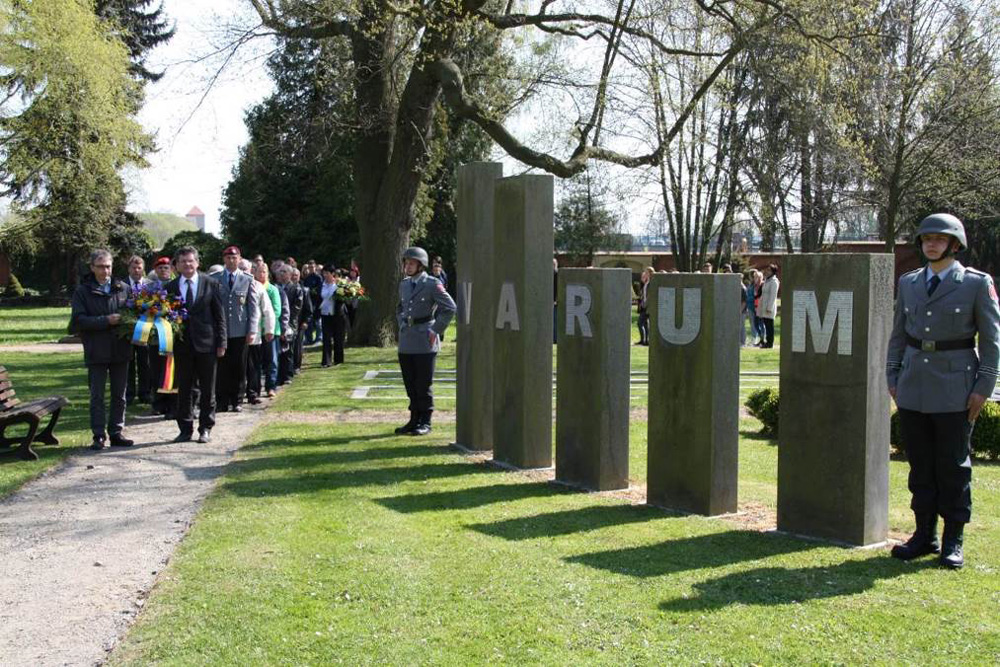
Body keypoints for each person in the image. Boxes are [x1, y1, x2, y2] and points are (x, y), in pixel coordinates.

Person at [886, 213, 1000, 570]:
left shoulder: (976, 284)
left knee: (952, 466)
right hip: (914, 386)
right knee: (919, 466)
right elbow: (899, 334)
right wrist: (893, 375)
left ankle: (953, 540)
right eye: (926, 239)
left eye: (939, 239)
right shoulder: (909, 283)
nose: (931, 244)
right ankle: (924, 535)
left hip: (956, 387)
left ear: (954, 244)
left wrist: (984, 387)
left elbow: (992, 341)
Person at [70, 249, 135, 450]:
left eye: (108, 266)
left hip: (120, 349)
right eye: (100, 266)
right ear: (92, 267)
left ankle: (116, 432)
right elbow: (78, 321)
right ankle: (98, 435)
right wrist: (105, 320)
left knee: (120, 394)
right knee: (97, 395)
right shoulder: (83, 291)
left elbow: (135, 315)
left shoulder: (123, 288)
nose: (105, 271)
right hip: (96, 350)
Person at [166, 246, 226, 443]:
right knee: (184, 389)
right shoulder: (170, 288)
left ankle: (205, 428)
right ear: (177, 265)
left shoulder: (211, 283)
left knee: (208, 388)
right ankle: (185, 429)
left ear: (198, 263)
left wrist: (222, 342)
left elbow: (220, 316)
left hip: (207, 344)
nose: (187, 264)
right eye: (183, 261)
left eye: (191, 261)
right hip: (182, 345)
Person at [394, 247, 456, 436]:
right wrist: (402, 324)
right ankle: (413, 419)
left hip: (424, 340)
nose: (408, 266)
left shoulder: (432, 283)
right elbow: (399, 307)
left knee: (423, 383)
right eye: (406, 262)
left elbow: (450, 307)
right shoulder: (404, 284)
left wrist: (435, 329)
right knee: (410, 383)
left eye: (412, 263)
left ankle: (425, 421)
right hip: (407, 340)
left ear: (421, 265)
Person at [210, 246, 258, 413]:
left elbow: (252, 307)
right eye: (228, 257)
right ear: (224, 259)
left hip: (240, 330)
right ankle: (222, 400)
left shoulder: (247, 279)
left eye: (234, 257)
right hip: (221, 331)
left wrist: (252, 330)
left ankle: (237, 399)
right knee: (222, 367)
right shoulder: (215, 278)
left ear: (239, 259)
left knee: (239, 367)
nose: (231, 260)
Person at [241, 258, 274, 405]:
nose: (242, 271)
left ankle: (253, 393)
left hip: (254, 335)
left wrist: (269, 329)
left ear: (251, 271)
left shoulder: (258, 286)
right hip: (235, 335)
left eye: (245, 269)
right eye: (240, 268)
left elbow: (267, 310)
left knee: (253, 366)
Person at [147, 257, 177, 418]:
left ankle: (173, 402)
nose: (163, 270)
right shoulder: (149, 288)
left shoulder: (177, 285)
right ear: (155, 270)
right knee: (156, 371)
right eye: (160, 268)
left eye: (166, 267)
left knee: (171, 371)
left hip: (174, 336)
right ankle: (158, 403)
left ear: (171, 269)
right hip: (155, 337)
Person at [124, 255, 151, 405]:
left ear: (143, 269)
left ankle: (145, 393)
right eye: (133, 267)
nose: (136, 270)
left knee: (145, 363)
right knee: (128, 363)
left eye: (139, 267)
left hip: (145, 331)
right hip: (126, 331)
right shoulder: (120, 285)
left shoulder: (150, 285)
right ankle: (128, 394)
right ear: (129, 269)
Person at [276, 265, 306, 384]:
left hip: (290, 323)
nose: (281, 274)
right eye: (280, 272)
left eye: (284, 272)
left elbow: (297, 307)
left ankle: (288, 375)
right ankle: (279, 376)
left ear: (289, 274)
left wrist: (287, 321)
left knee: (289, 350)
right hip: (278, 323)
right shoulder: (276, 288)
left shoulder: (296, 288)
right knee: (279, 350)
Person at [319, 264, 348, 367]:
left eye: (327, 273)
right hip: (325, 314)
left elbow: (344, 299)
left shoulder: (339, 285)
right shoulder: (321, 285)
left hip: (338, 315)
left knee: (338, 338)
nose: (325, 275)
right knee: (326, 338)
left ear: (333, 274)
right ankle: (326, 361)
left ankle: (338, 359)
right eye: (324, 273)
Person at [290, 268, 312, 373]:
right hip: (289, 321)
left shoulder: (305, 290)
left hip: (299, 322)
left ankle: (296, 366)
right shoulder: (286, 289)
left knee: (298, 345)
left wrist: (306, 321)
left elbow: (309, 309)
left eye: (296, 275)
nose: (294, 277)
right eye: (292, 275)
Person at [758, 263, 779, 348]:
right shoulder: (767, 281)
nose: (767, 271)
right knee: (766, 325)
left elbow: (773, 296)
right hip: (764, 306)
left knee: (769, 325)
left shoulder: (774, 282)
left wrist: (769, 307)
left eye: (769, 270)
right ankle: (767, 341)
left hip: (769, 307)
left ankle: (770, 343)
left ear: (773, 272)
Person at [302, 259, 323, 344]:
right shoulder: (307, 279)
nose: (311, 269)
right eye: (310, 267)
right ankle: (309, 339)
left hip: (317, 302)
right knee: (309, 321)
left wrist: (313, 292)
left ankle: (319, 338)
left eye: (313, 267)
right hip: (309, 302)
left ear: (315, 267)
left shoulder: (318, 278)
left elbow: (320, 290)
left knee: (318, 321)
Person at [636, 267, 653, 346]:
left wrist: (646, 304)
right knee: (645, 324)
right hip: (644, 306)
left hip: (648, 306)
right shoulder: (646, 282)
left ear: (650, 273)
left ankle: (644, 340)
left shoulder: (652, 283)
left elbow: (650, 295)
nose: (645, 274)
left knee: (640, 323)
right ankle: (645, 340)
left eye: (646, 272)